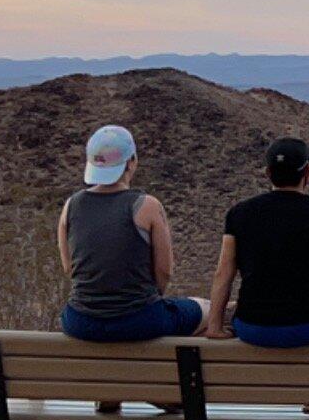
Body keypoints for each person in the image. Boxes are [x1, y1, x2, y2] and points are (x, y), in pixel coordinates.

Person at [204, 136, 309, 346]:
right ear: (307, 173)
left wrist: (214, 327)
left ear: (268, 173)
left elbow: (223, 272)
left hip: (251, 327)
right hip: (304, 327)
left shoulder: (239, 214)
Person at [56, 124, 205, 342]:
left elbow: (69, 268)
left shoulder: (71, 206)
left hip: (80, 322)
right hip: (141, 320)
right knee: (206, 310)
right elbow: (164, 271)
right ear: (131, 162)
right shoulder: (147, 206)